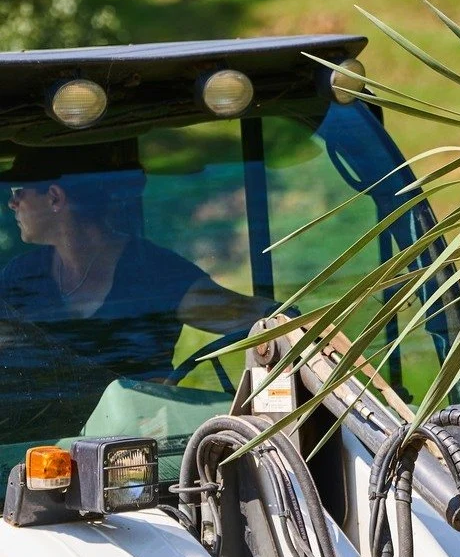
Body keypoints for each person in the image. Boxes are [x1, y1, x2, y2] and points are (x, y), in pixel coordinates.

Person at [1, 147, 266, 388]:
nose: (12, 203)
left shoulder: (155, 273)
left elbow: (267, 321)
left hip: (147, 426)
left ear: (54, 198)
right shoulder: (20, 276)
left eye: (18, 192)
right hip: (44, 428)